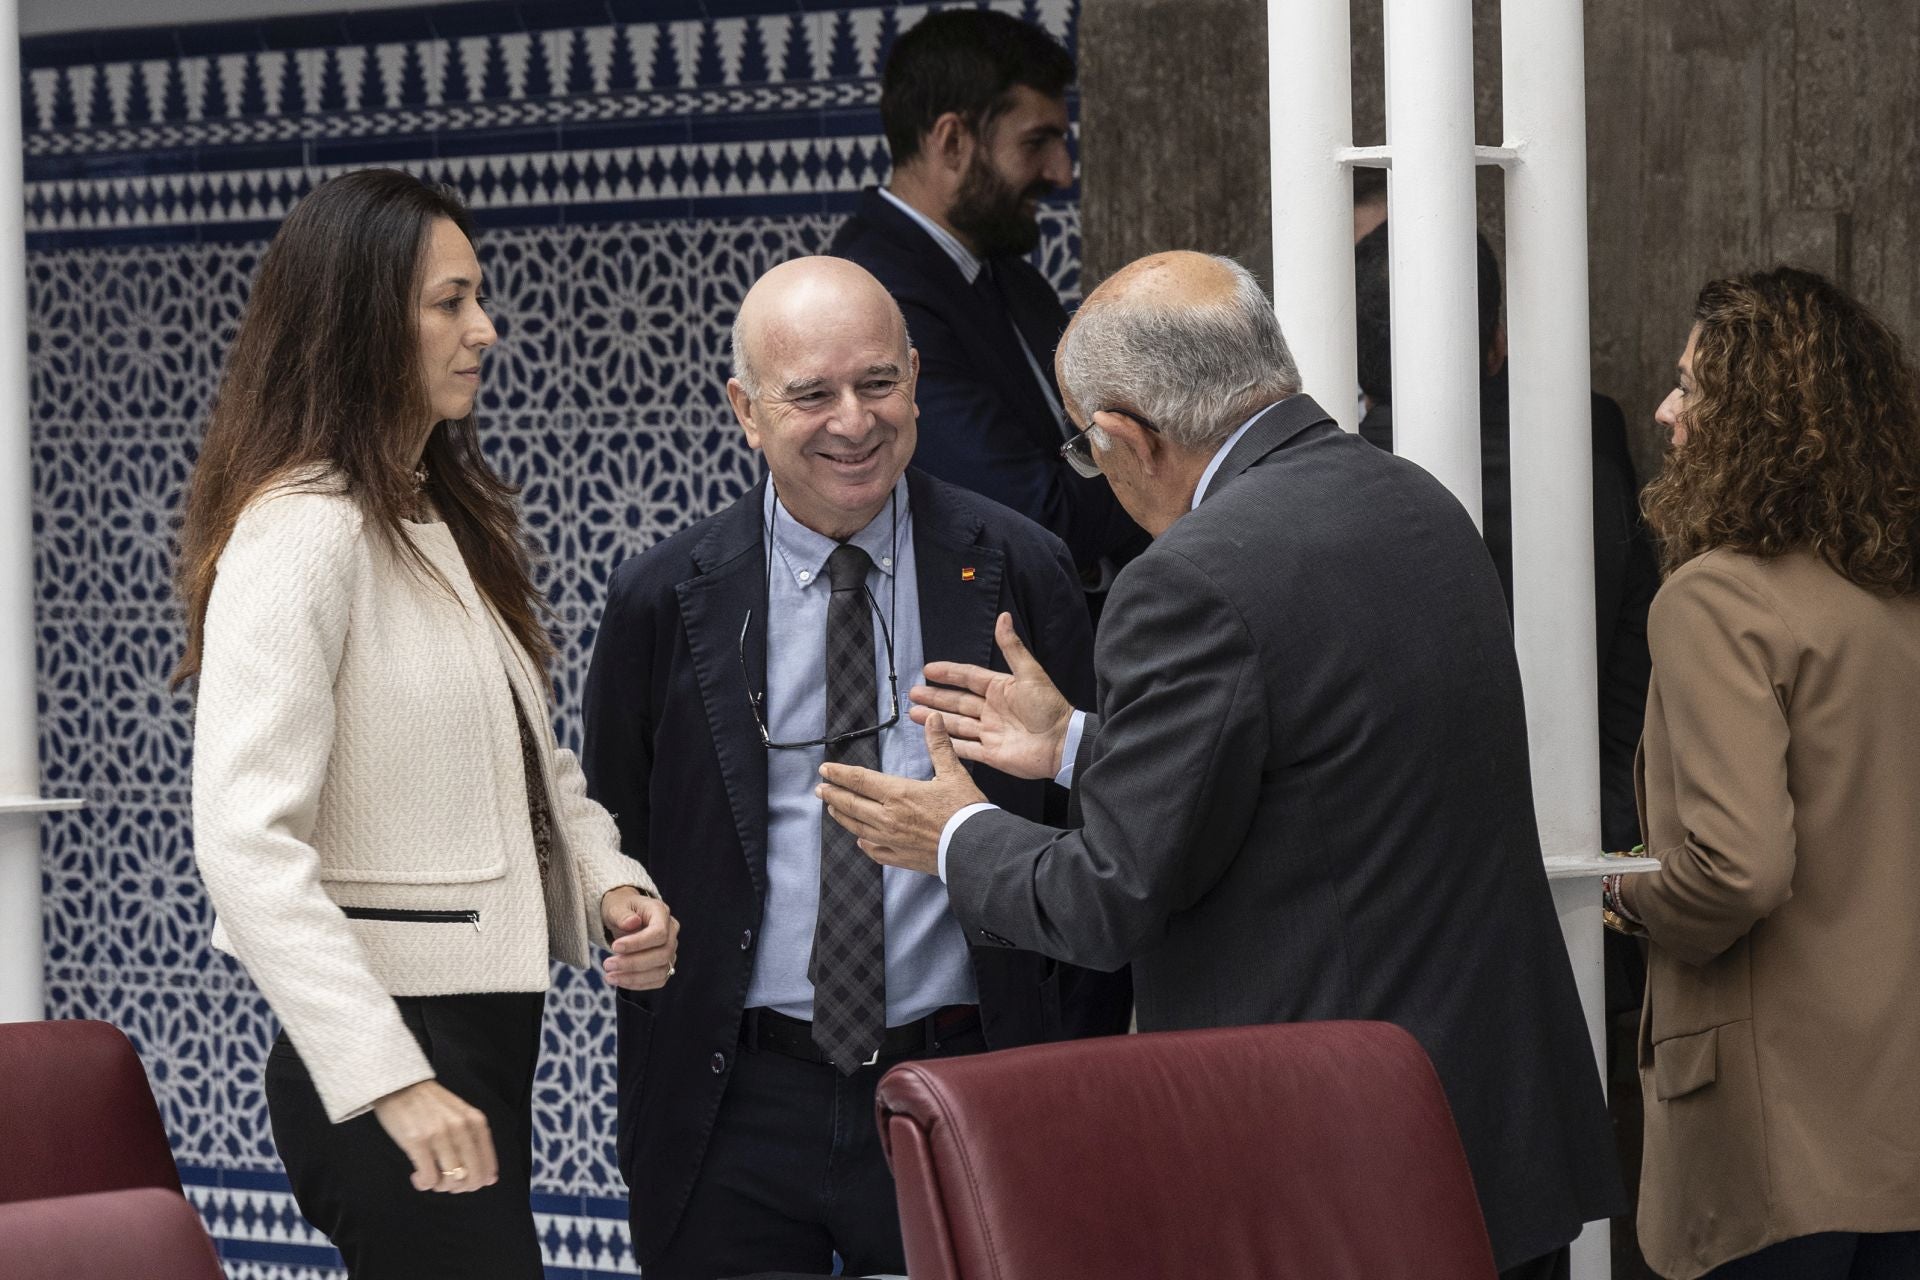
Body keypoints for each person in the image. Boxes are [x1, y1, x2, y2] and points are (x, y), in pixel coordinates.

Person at [817, 250, 1625, 1279]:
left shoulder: (1187, 578)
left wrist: (955, 835)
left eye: (1086, 448)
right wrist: (1073, 741)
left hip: (1338, 1166)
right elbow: (1321, 771)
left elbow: (1113, 897)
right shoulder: (1414, 498)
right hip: (1496, 1135)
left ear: (1128, 436)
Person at [581, 255, 1130, 1280]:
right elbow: (607, 837)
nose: (854, 420)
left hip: (967, 1075)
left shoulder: (1019, 568)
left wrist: (1059, 1067)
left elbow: (1103, 842)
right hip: (733, 1100)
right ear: (746, 411)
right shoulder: (664, 600)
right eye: (812, 394)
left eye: (879, 383)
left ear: (917, 379)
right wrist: (614, 916)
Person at [174, 169, 676, 1279]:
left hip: (481, 1037)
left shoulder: (430, 515)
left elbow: (532, 762)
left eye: (478, 298)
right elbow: (244, 843)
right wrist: (391, 1075)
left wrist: (608, 882)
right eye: (450, 302)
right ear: (362, 318)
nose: (484, 329)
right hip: (387, 1047)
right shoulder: (300, 531)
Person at [1601, 267, 1920, 1280]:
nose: (1665, 409)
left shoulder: (1714, 600)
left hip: (1774, 1139)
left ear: (1758, 418)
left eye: (1692, 387)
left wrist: (1631, 889)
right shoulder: (1892, 603)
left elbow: (1736, 866)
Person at [1353, 221, 1657, 852]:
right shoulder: (1590, 441)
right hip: (1579, 835)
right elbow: (1637, 651)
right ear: (1496, 341)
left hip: (1401, 854)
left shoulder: (1323, 486)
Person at [829, 8, 1146, 604]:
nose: (1061, 171)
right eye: (1037, 142)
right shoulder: (874, 297)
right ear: (952, 140)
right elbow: (1031, 516)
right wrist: (1163, 450)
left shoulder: (1013, 280)